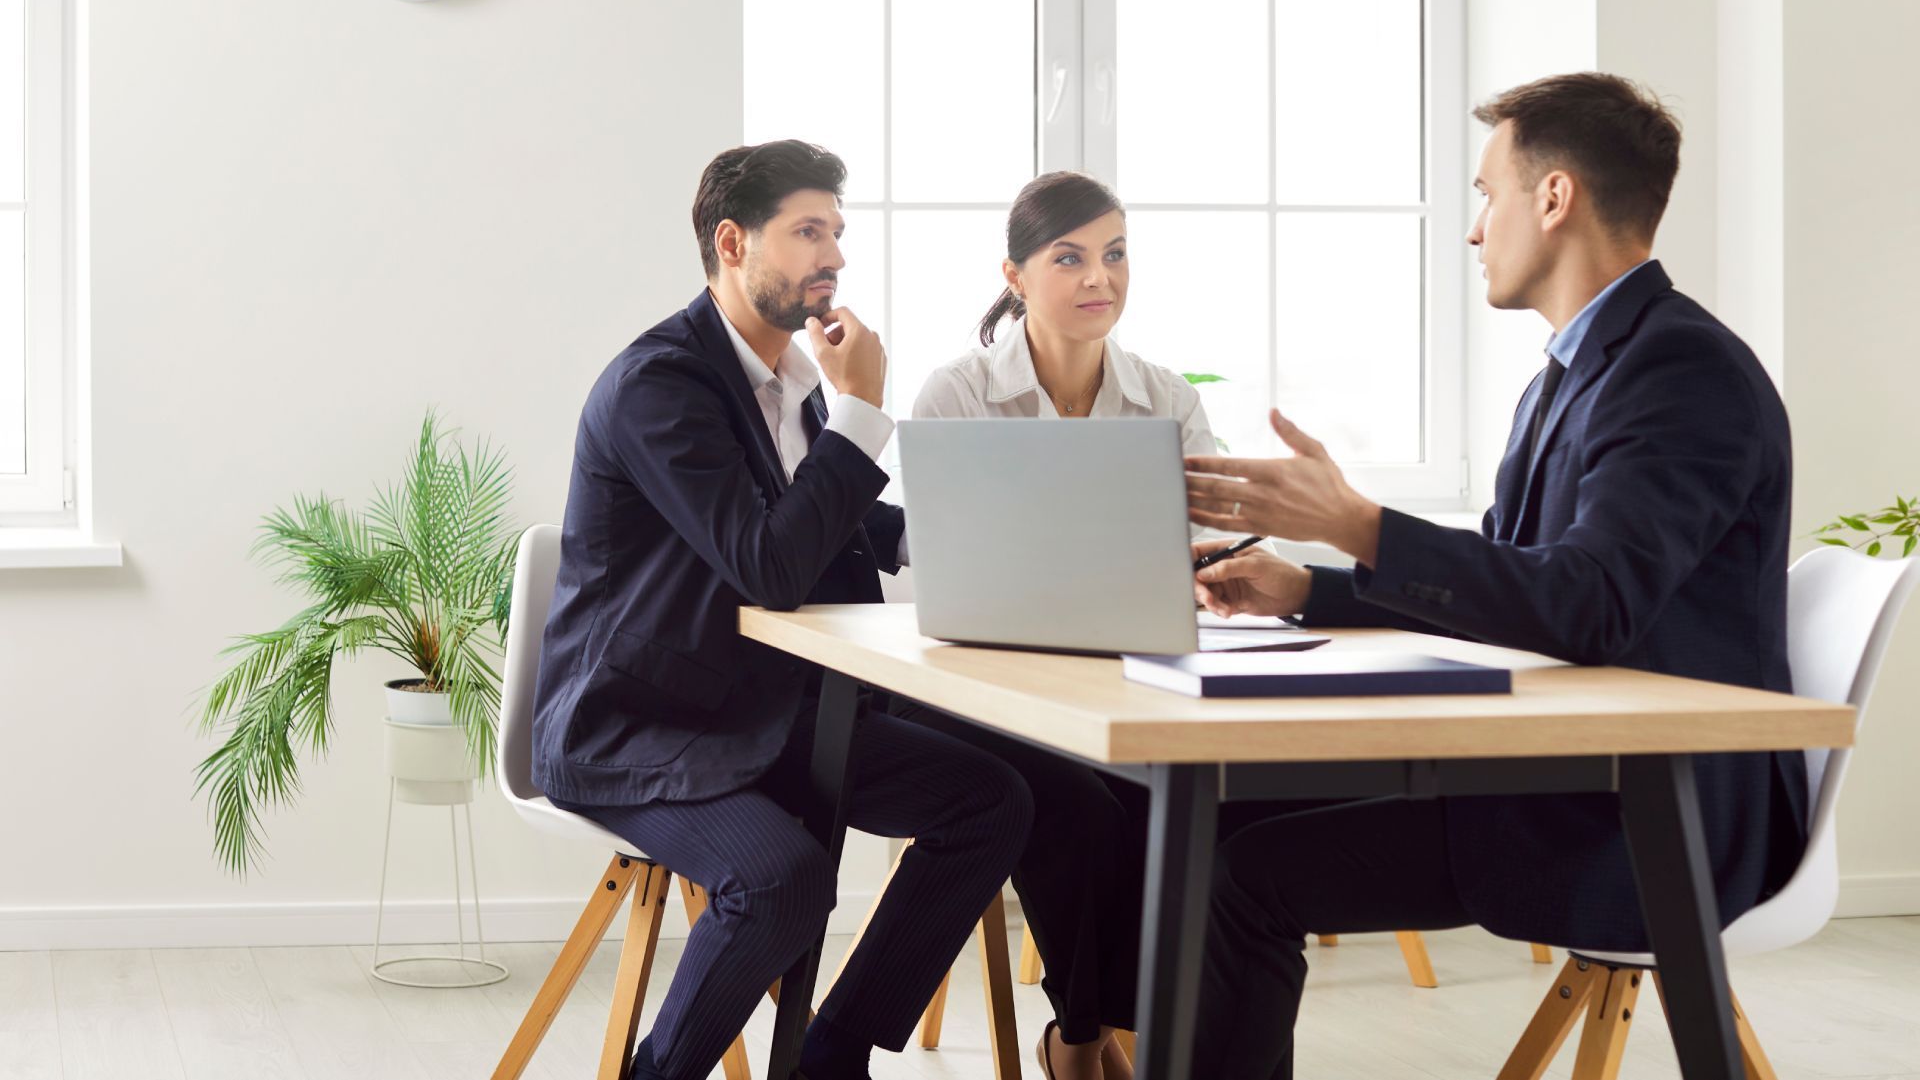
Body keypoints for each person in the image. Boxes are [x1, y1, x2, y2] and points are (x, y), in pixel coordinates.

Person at [1180, 73, 1807, 1078]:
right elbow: (1522, 582)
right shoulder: (1575, 370)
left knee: (1239, 871)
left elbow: (1591, 604)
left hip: (1647, 812)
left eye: (1487, 193)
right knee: (1207, 809)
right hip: (1567, 767)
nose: (1475, 230)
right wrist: (1310, 587)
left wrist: (1358, 521)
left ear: (1553, 197)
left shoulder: (1682, 374)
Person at [532, 140, 1033, 1080]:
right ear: (732, 242)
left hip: (756, 709)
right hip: (633, 726)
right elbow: (769, 562)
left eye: (837, 232)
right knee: (781, 878)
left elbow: (820, 522)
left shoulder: (791, 386)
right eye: (807, 232)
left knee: (990, 798)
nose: (832, 255)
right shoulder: (662, 386)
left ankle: (832, 1055)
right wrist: (861, 412)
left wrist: (957, 533)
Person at [905, 170, 1224, 1080]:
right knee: (1081, 802)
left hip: (1132, 669)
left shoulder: (1165, 396)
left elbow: (1216, 544)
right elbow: (937, 572)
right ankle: (1084, 1039)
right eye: (1072, 257)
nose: (1102, 278)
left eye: (1116, 254)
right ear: (1015, 273)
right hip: (984, 687)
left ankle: (1122, 1026)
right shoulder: (958, 394)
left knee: (1175, 794)